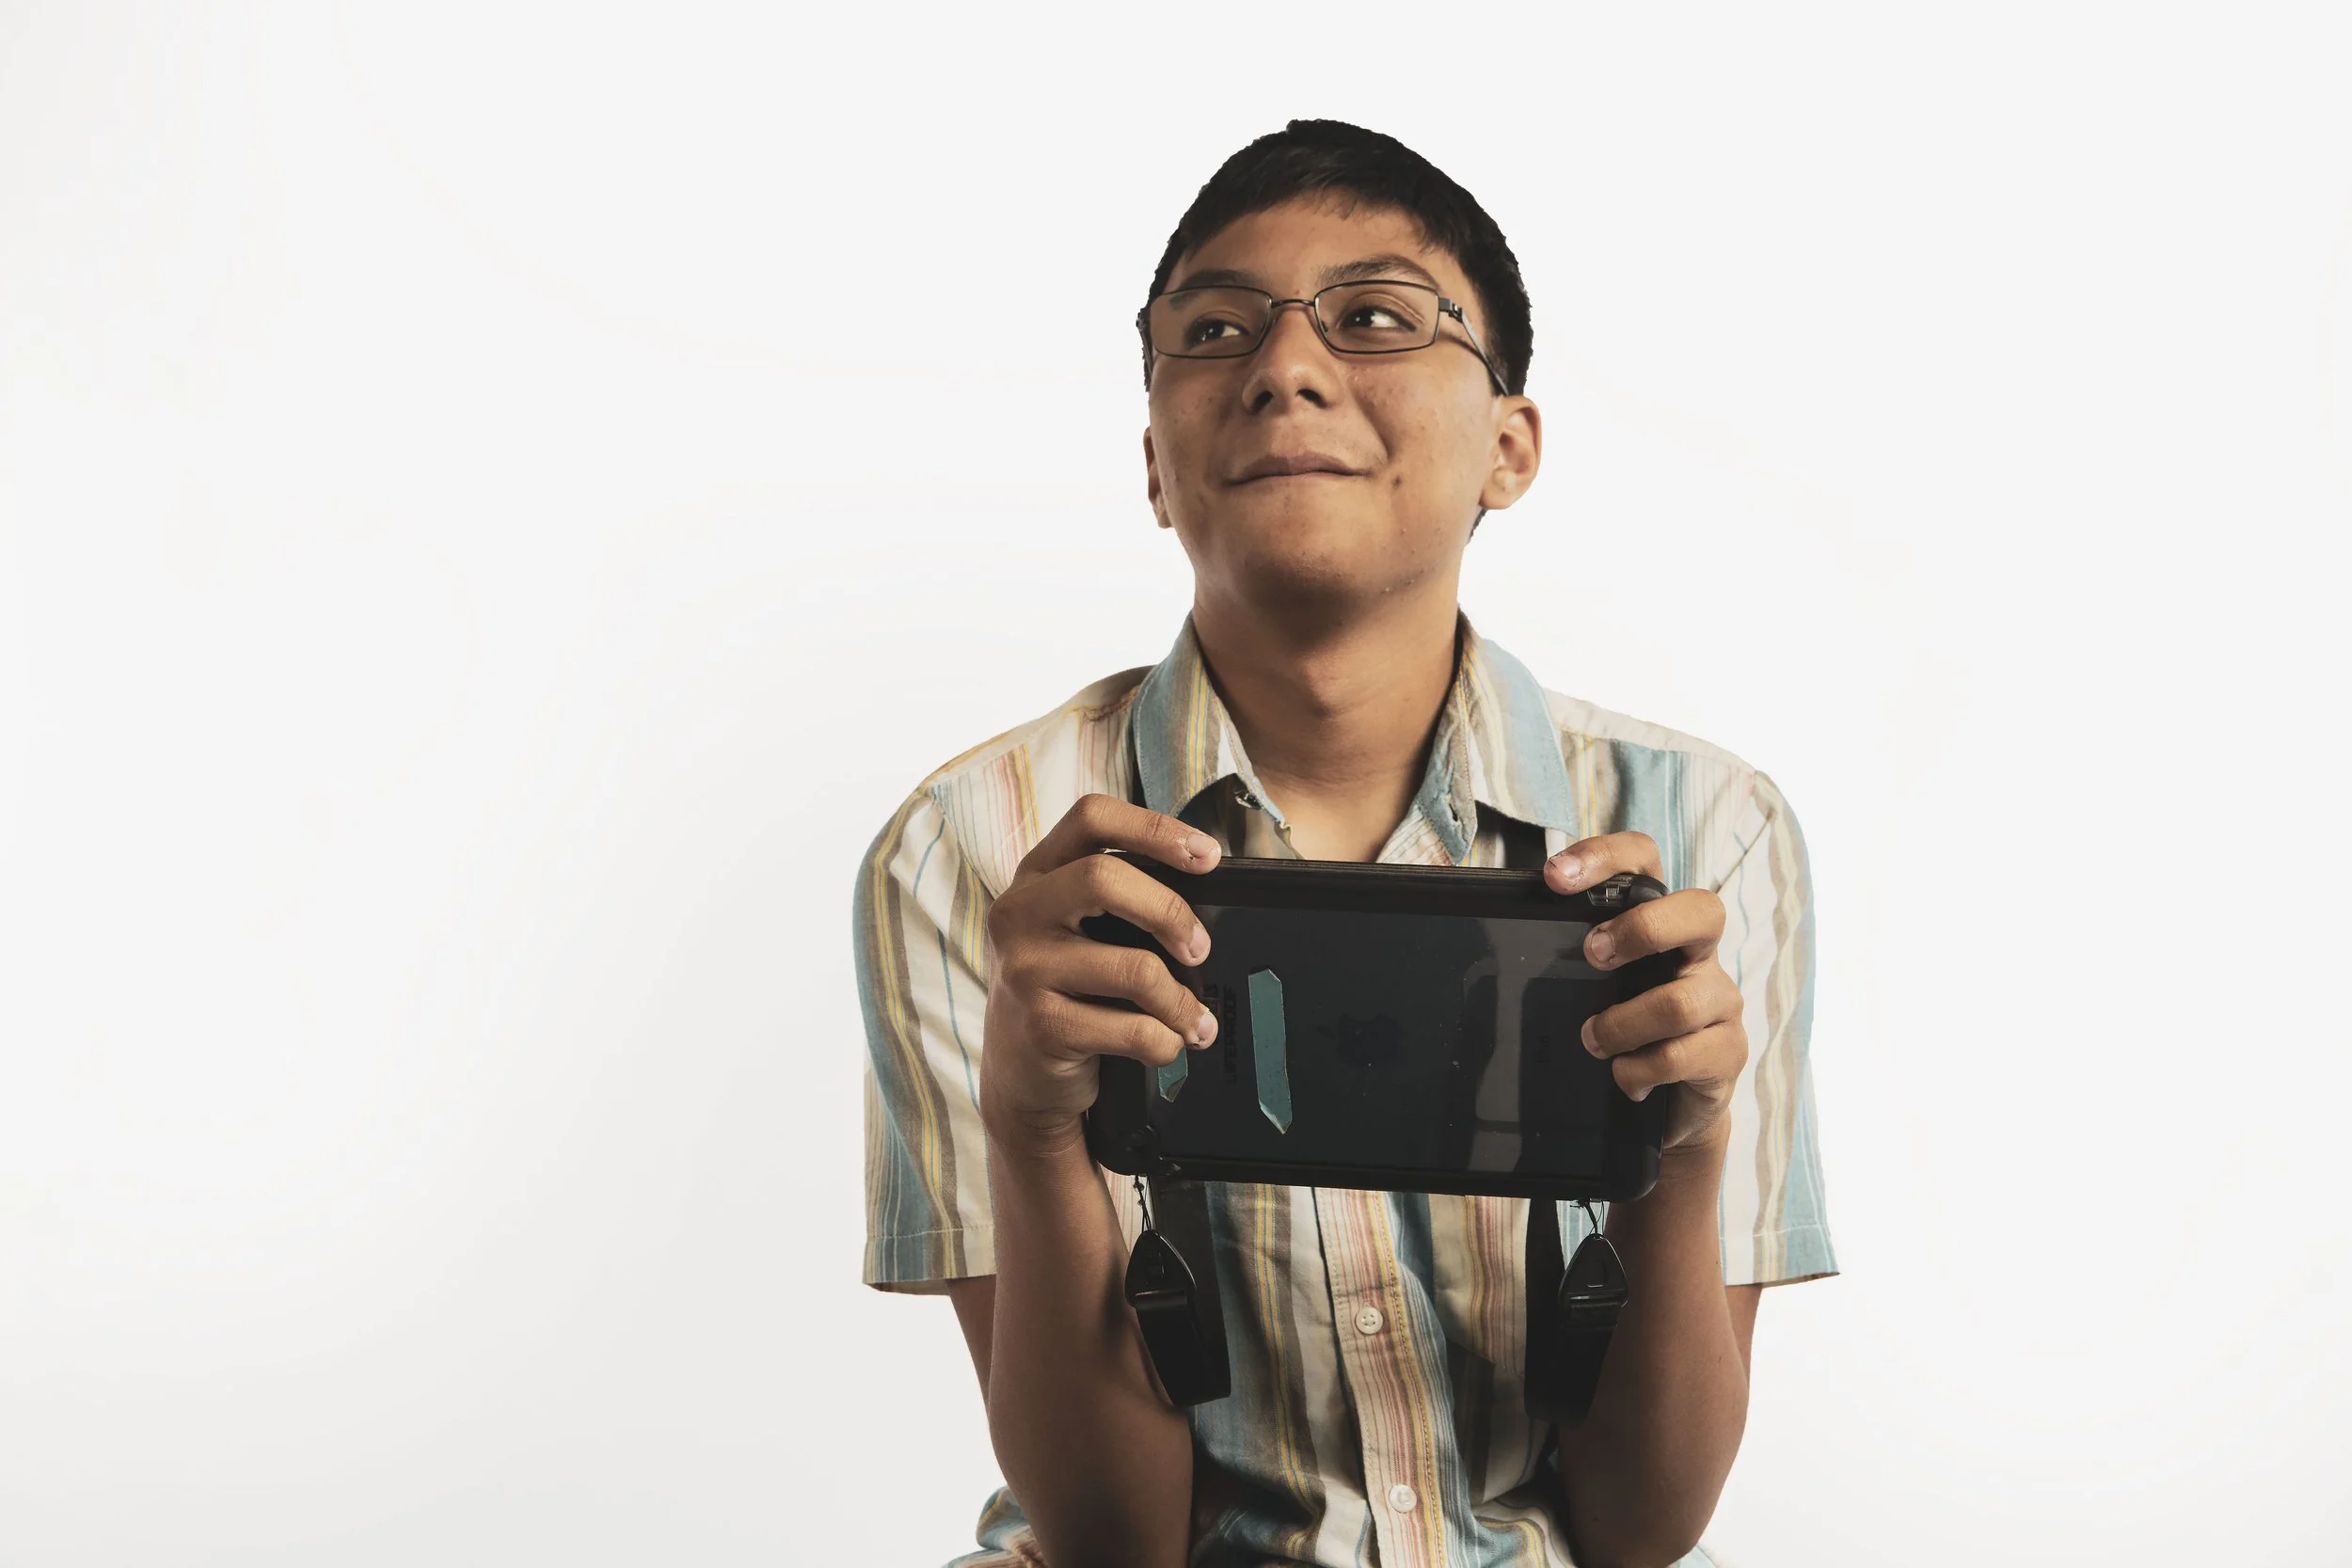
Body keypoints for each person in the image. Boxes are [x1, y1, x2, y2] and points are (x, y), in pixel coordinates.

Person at [852, 119, 1837, 1568]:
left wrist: (1683, 1164)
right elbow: (1114, 1543)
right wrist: (1036, 1127)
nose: (1285, 367)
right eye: (1215, 330)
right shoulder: (976, 854)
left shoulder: (1705, 837)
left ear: (1512, 446)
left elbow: (1642, 1528)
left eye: (1375, 316)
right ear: (1153, 461)